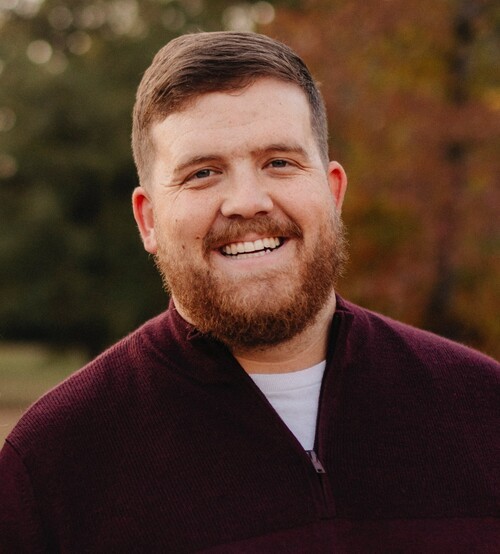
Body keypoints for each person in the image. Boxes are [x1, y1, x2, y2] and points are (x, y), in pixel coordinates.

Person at [0, 31, 498, 553]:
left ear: (333, 192)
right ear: (148, 220)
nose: (247, 201)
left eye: (279, 162)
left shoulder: (484, 410)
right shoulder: (53, 470)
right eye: (203, 173)